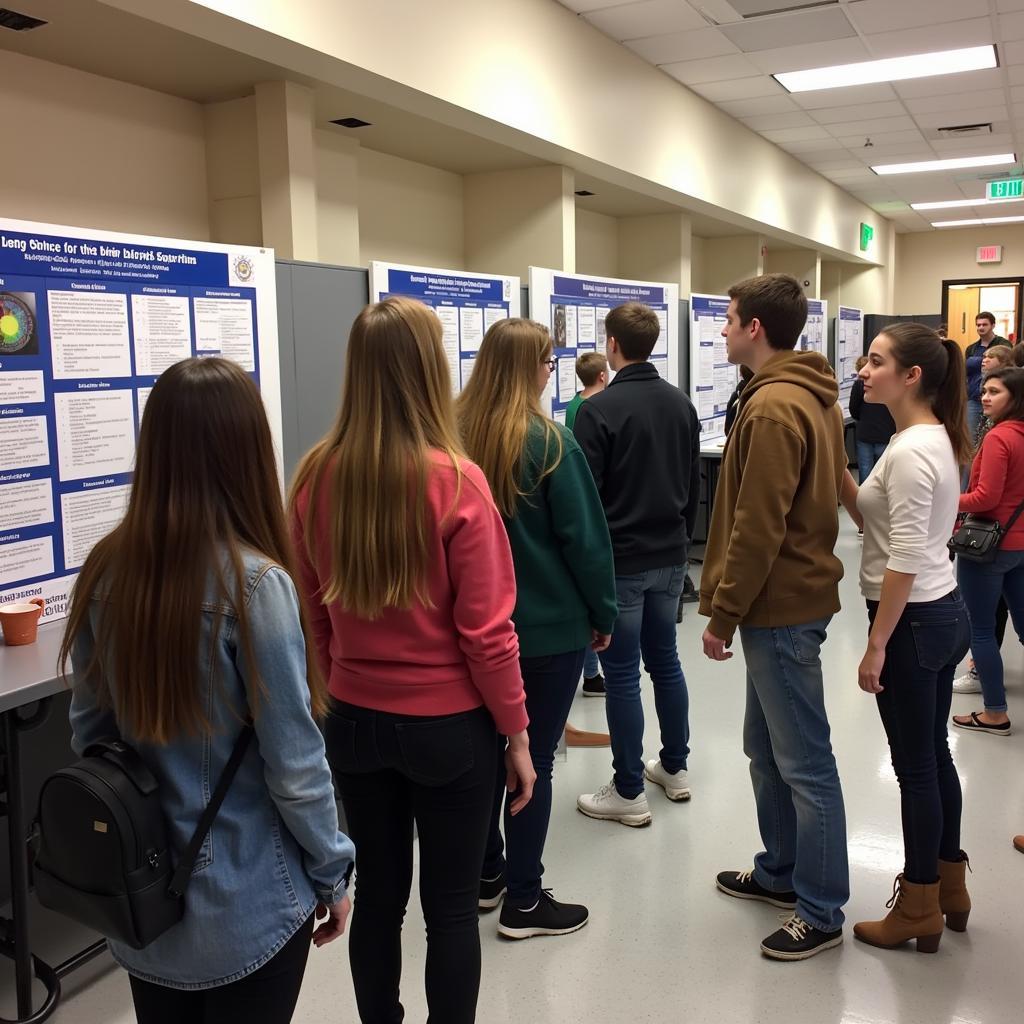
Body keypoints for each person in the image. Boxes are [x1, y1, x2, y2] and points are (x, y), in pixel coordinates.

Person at [62, 358, 355, 1024]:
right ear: (247, 450)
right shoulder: (256, 587)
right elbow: (296, 770)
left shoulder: (104, 572)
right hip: (244, 904)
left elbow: (90, 737)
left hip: (140, 903)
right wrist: (335, 873)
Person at [289, 298, 535, 1024]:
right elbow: (487, 635)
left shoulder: (312, 477)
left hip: (355, 724)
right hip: (451, 731)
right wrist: (517, 733)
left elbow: (315, 615)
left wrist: (339, 689)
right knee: (452, 913)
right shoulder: (457, 482)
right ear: (430, 370)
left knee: (378, 904)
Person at [700, 273, 849, 962]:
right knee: (766, 751)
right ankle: (780, 872)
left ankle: (819, 910)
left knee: (805, 765)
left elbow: (758, 526)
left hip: (778, 607)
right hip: (785, 602)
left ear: (755, 328)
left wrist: (722, 614)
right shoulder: (803, 393)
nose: (723, 330)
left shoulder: (771, 408)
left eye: (729, 319)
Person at [458, 318, 617, 939]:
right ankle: (525, 899)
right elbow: (585, 543)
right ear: (530, 368)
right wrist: (601, 615)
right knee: (532, 765)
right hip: (547, 634)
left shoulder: (450, 438)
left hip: (472, 637)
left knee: (482, 758)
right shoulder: (550, 443)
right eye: (548, 362)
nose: (554, 369)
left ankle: (488, 875)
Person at [843, 323, 972, 954]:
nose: (864, 372)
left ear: (912, 375)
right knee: (934, 758)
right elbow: (874, 516)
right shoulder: (919, 440)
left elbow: (906, 558)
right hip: (937, 616)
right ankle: (949, 884)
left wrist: (875, 645)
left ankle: (919, 900)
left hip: (916, 622)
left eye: (876, 362)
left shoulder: (914, 449)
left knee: (915, 766)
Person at [575, 301, 701, 826]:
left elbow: (585, 503)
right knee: (666, 661)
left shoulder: (597, 411)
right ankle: (674, 767)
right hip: (671, 556)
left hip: (621, 564)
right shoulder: (680, 404)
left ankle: (629, 790)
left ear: (612, 345)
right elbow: (694, 486)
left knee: (622, 674)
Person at [951, 367, 1024, 738]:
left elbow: (985, 498)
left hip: (989, 549)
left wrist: (946, 499)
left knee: (981, 629)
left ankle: (995, 713)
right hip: (1020, 544)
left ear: (1015, 397)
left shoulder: (999, 438)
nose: (985, 396)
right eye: (985, 390)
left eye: (995, 391)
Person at [564, 349, 611, 697]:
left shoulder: (572, 406)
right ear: (602, 376)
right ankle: (592, 674)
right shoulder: (600, 409)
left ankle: (592, 673)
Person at [850, 354, 897, 485]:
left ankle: (863, 505)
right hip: (886, 434)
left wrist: (863, 418)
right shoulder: (890, 384)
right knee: (882, 475)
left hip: (865, 434)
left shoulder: (859, 385)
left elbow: (853, 409)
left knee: (865, 474)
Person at [965, 312, 1010, 438]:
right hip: (973, 398)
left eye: (984, 324)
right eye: (978, 325)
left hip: (996, 396)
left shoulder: (1003, 344)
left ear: (993, 325)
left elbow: (1008, 364)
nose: (980, 328)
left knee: (993, 434)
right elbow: (967, 373)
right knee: (971, 435)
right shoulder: (971, 348)